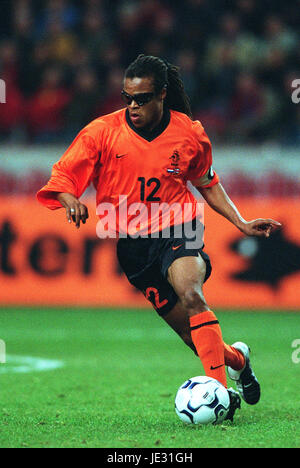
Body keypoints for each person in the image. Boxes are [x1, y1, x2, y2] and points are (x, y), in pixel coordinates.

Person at [37, 54, 281, 421]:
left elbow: (207, 183)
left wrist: (241, 222)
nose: (133, 106)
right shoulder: (101, 132)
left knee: (192, 293)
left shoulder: (189, 133)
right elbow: (63, 178)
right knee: (191, 335)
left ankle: (222, 396)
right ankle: (238, 360)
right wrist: (71, 201)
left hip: (178, 227)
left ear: (162, 95)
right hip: (134, 247)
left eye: (143, 98)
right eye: (127, 98)